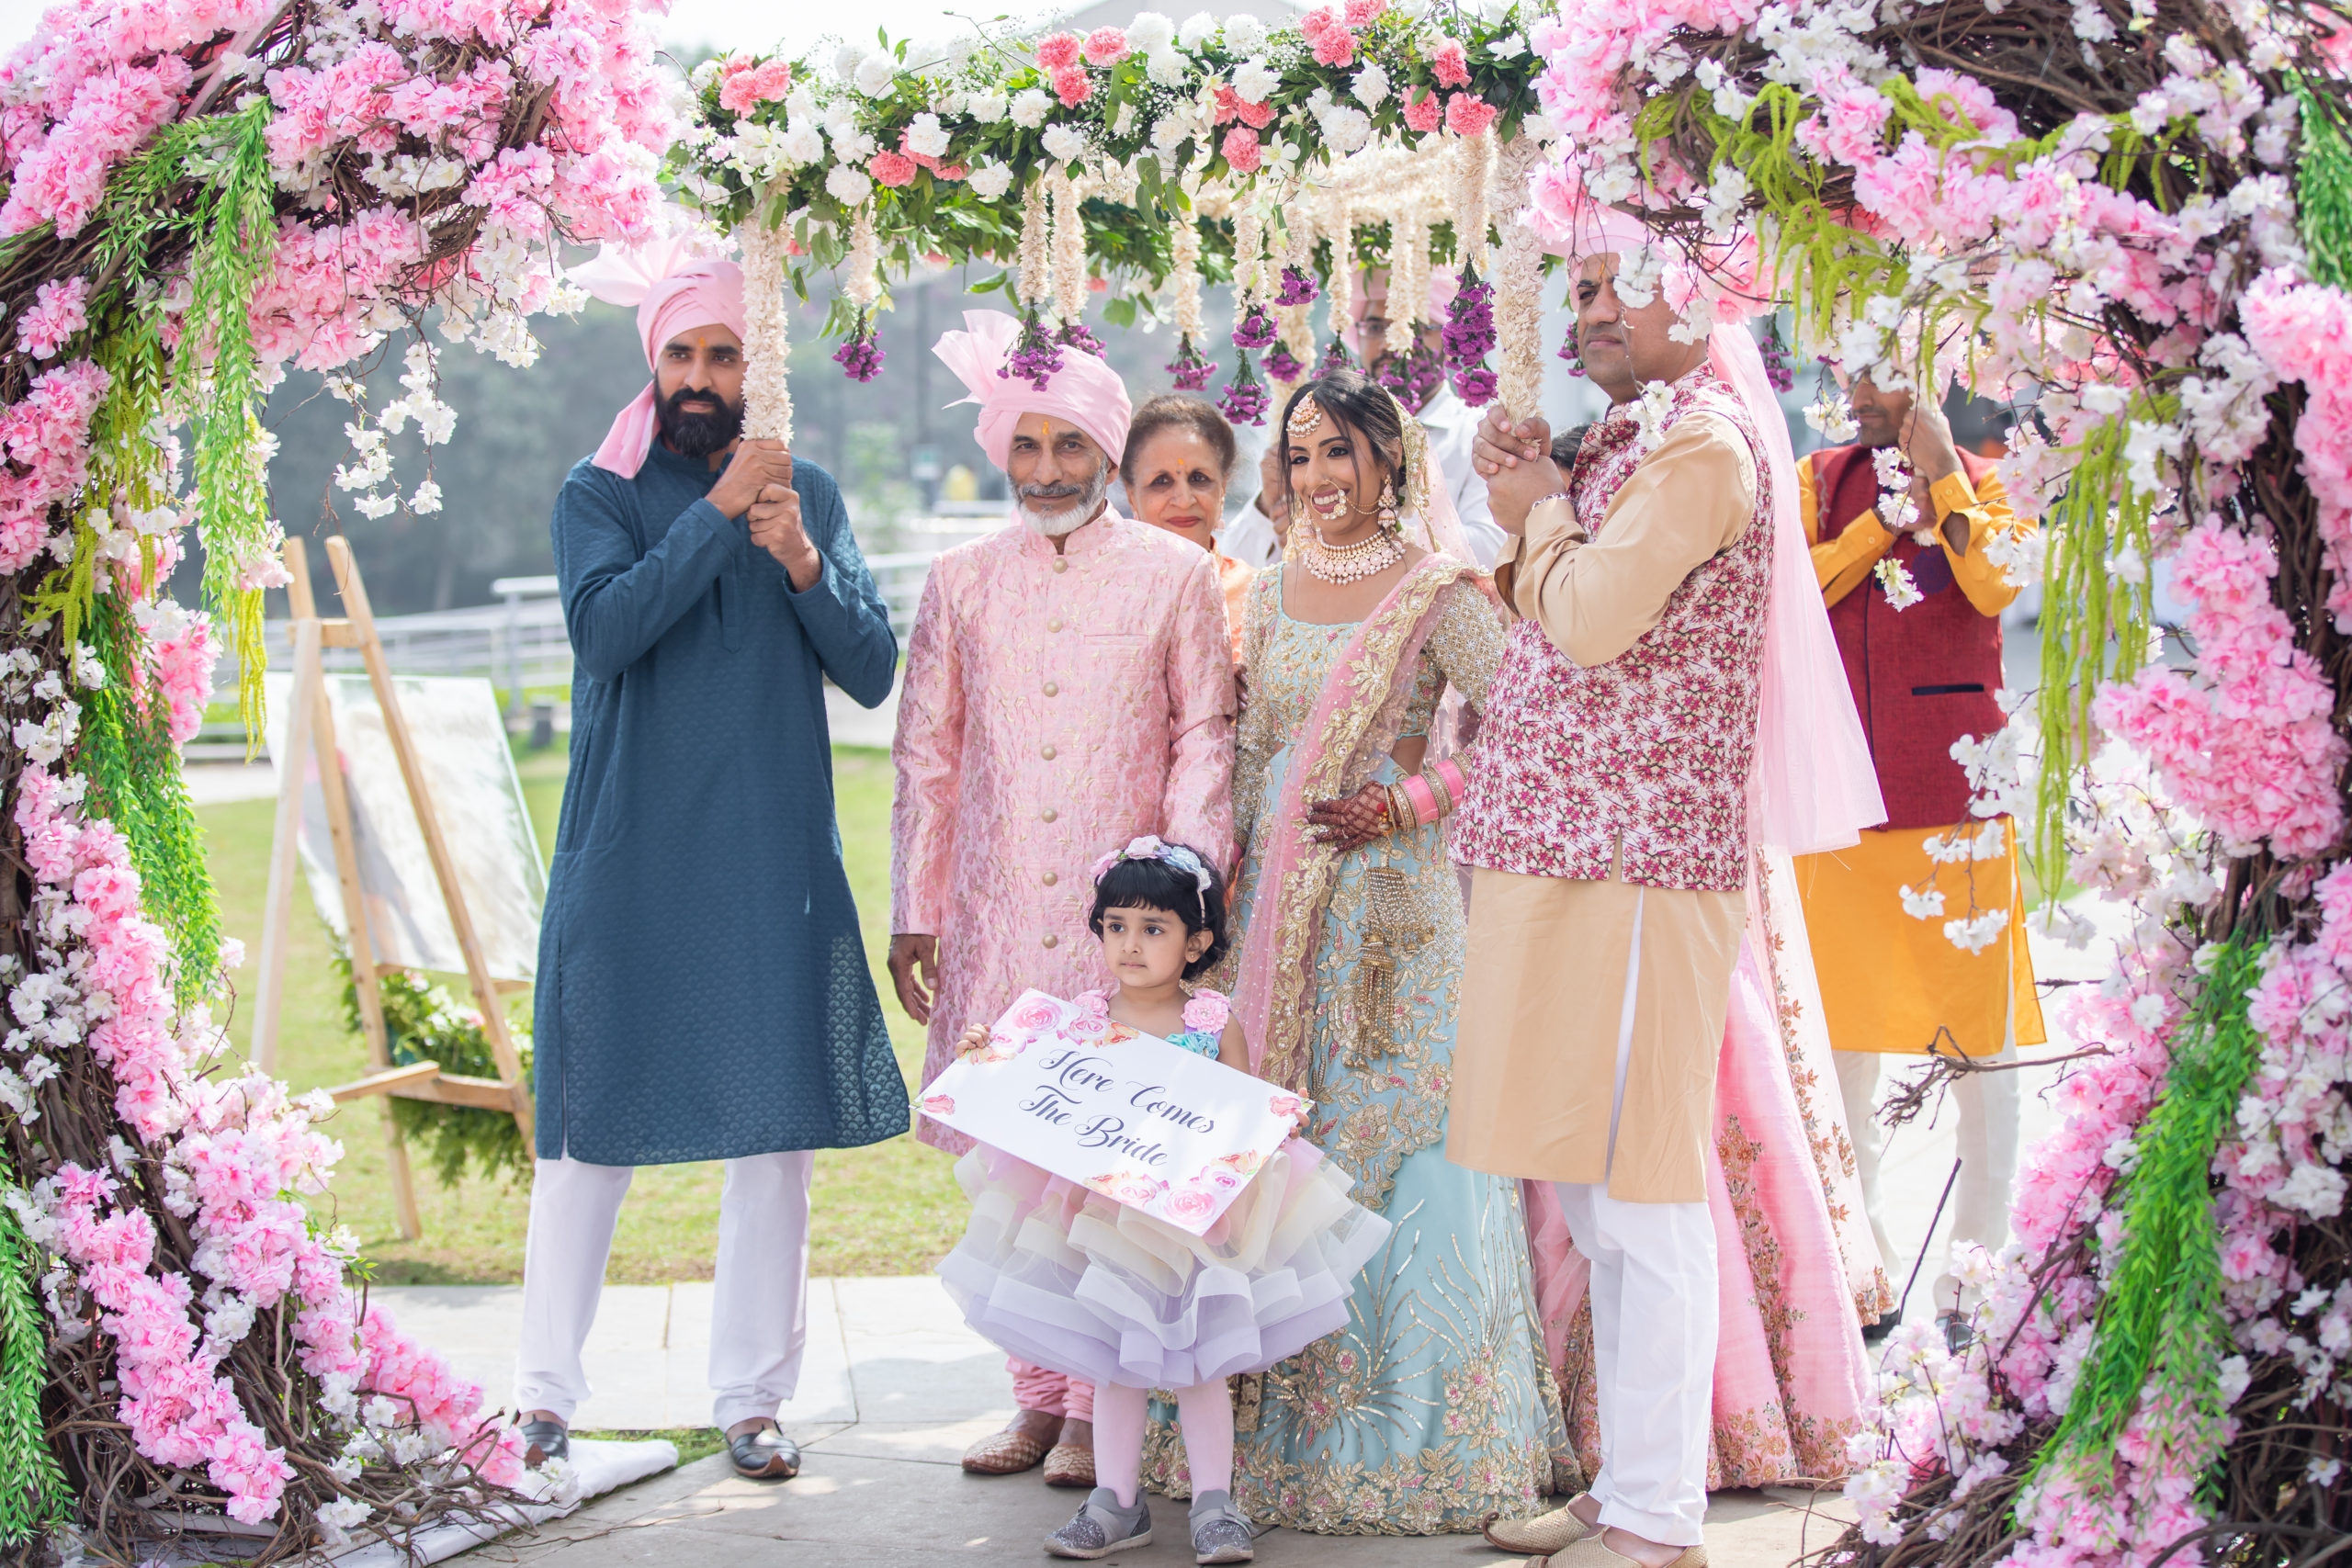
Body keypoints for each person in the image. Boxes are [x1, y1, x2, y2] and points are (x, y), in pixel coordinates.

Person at [1448, 227, 1887, 1567]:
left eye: (1599, 289)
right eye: (1572, 289)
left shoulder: (1701, 449)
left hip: (1638, 858)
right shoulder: (1639, 435)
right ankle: (1628, 1482)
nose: (1575, 315)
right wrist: (1538, 502)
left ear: (1686, 296)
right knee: (1584, 1185)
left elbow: (1579, 616)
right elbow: (1546, 603)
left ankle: (1659, 1515)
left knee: (1643, 1191)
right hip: (1564, 849)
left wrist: (1534, 504)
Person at [520, 240, 906, 1483]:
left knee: (771, 1131)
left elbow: (871, 669)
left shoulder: (815, 496)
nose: (700, 374)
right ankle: (541, 1394)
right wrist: (717, 511)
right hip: (632, 850)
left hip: (766, 856)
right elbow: (606, 629)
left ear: (760, 372)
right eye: (682, 352)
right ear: (654, 362)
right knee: (592, 1132)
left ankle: (751, 1398)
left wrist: (796, 554)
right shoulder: (601, 490)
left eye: (725, 353)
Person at [1160, 367, 1566, 1535]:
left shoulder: (1442, 591)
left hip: (1398, 923)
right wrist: (1218, 904)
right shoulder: (1271, 587)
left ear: (1391, 462)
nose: (1317, 478)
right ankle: (1268, 1450)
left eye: (1339, 452)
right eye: (1296, 456)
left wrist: (1412, 799)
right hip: (1275, 923)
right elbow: (1247, 752)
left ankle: (1427, 1446)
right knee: (1288, 1151)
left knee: (1410, 1151)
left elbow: (1527, 731)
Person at [891, 310, 1238, 1491]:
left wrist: (1187, 889)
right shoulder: (959, 582)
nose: (1046, 471)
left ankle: (1102, 1411)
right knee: (1011, 1172)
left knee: (1106, 1167)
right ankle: (1035, 1400)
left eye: (1069, 448)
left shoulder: (1176, 575)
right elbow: (925, 757)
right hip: (996, 913)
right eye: (1025, 448)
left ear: (1104, 452)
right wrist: (916, 906)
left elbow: (1205, 732)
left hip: (1125, 931)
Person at [936, 840, 1392, 1563]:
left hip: (1190, 1226)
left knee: (1199, 1364)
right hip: (1103, 1218)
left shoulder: (1211, 1022)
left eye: (1154, 929)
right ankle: (1116, 1499)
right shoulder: (1080, 1018)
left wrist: (1267, 1126)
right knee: (1114, 1360)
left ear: (1196, 940)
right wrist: (990, 1055)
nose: (1131, 944)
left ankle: (1216, 1501)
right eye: (1116, 925)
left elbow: (1237, 1110)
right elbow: (1037, 1093)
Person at [1792, 372, 2045, 1344]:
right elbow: (1798, 591)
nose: (1857, 392)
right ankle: (1868, 1266)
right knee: (1839, 1042)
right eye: (1845, 371)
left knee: (1982, 1040)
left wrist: (1943, 483)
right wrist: (1872, 532)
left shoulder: (1992, 481)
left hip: (1953, 788)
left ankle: (1973, 1274)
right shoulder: (1818, 476)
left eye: (1879, 371)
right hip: (1840, 793)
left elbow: (1994, 584)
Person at [1225, 267, 1509, 571]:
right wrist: (1267, 507)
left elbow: (1493, 554)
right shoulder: (1318, 435)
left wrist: (1352, 530)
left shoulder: (1477, 435)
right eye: (1375, 328)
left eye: (1411, 327)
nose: (1391, 344)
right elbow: (1238, 566)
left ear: (1446, 336)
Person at [1121, 393, 1255, 657]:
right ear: (1130, 496)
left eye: (1199, 478)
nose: (1184, 500)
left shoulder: (1260, 595)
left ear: (1223, 488)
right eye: (1161, 481)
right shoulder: (1106, 595)